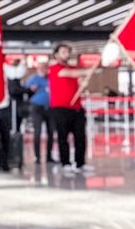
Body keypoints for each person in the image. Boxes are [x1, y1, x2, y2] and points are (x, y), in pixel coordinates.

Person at [48, 43, 95, 174]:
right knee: (63, 137)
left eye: (67, 52)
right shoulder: (54, 68)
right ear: (56, 54)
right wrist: (87, 70)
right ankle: (66, 163)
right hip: (60, 108)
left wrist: (84, 83)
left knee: (80, 136)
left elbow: (79, 81)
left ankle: (80, 163)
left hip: (76, 107)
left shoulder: (74, 68)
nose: (66, 54)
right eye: (63, 52)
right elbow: (68, 73)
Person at [25, 61, 55, 164]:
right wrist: (31, 89)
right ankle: (37, 157)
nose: (43, 69)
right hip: (37, 108)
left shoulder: (51, 78)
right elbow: (26, 90)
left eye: (45, 67)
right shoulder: (33, 78)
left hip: (50, 108)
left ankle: (49, 156)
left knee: (51, 132)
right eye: (41, 67)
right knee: (37, 132)